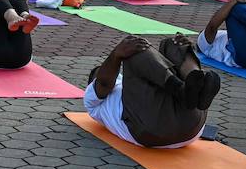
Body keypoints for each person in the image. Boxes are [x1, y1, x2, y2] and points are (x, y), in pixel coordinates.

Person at [84, 35, 220, 148]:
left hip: (188, 123)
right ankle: (183, 88)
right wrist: (115, 55)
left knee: (172, 43)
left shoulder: (130, 83)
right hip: (152, 129)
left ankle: (198, 80)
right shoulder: (93, 102)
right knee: (133, 49)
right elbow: (104, 82)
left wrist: (183, 49)